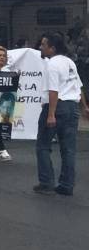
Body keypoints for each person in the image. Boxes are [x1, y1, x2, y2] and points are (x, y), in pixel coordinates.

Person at [34, 33, 85, 196]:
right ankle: (66, 184)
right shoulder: (70, 62)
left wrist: (51, 114)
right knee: (68, 149)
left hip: (57, 106)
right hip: (72, 107)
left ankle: (46, 182)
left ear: (52, 48)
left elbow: (53, 91)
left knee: (43, 145)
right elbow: (79, 86)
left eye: (43, 45)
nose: (40, 47)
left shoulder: (52, 65)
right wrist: (85, 106)